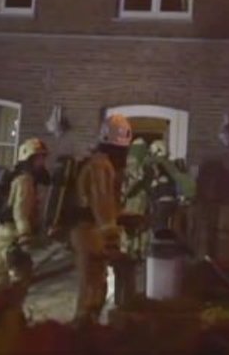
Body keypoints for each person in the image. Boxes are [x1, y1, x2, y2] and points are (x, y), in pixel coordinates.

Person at [71, 112, 132, 325]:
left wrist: (125, 217)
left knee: (94, 285)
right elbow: (102, 204)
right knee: (92, 289)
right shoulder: (102, 166)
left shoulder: (95, 162)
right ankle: (81, 333)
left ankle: (85, 329)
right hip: (91, 232)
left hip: (87, 230)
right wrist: (112, 242)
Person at [0, 136, 49, 297]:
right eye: (38, 158)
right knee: (20, 280)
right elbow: (20, 211)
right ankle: (12, 310)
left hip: (0, 233)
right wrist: (25, 237)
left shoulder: (15, 177)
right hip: (13, 236)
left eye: (43, 158)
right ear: (29, 159)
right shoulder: (25, 180)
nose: (42, 163)